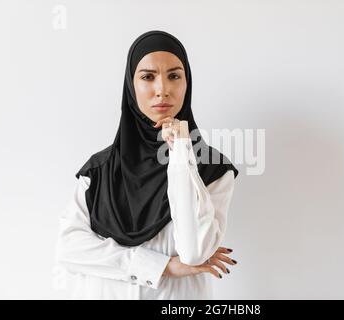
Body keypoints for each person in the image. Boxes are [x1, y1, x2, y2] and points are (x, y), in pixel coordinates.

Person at [54, 30, 239, 299]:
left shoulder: (213, 169)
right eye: (148, 77)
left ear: (187, 84)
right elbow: (69, 249)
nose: (162, 89)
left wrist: (181, 152)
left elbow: (195, 251)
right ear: (131, 85)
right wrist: (161, 267)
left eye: (174, 76)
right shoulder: (99, 170)